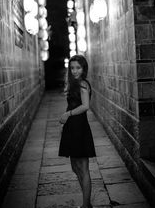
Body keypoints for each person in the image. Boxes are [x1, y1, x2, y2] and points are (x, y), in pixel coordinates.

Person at [58, 54, 96, 208]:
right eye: (72, 68)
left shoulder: (83, 85)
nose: (75, 71)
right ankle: (86, 201)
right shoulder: (75, 84)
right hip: (72, 127)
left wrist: (68, 114)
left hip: (79, 127)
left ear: (83, 68)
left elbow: (85, 106)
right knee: (75, 166)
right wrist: (64, 125)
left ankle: (86, 205)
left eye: (78, 68)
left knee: (83, 167)